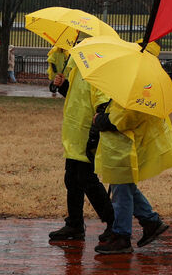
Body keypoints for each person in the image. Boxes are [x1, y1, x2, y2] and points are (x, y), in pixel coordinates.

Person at [89, 43, 172, 255]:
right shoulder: (131, 78)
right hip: (117, 147)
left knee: (122, 193)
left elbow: (130, 116)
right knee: (125, 189)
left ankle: (122, 236)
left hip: (123, 148)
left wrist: (104, 120)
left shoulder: (143, 83)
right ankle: (150, 221)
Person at [46, 46, 115, 242]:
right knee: (72, 179)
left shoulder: (95, 75)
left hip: (86, 137)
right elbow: (76, 97)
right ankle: (74, 224)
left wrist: (95, 130)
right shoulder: (77, 72)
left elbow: (102, 104)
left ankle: (112, 222)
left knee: (87, 180)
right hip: (74, 137)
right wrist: (62, 85)